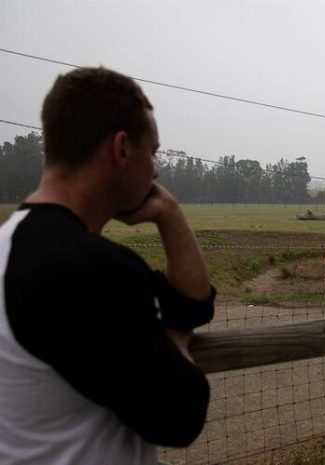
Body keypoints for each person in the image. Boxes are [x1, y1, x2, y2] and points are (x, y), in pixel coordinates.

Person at [0, 67, 216, 464]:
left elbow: (193, 305)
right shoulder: (92, 269)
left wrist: (168, 213)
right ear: (121, 149)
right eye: (152, 153)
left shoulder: (12, 247)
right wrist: (175, 342)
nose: (155, 171)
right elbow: (181, 416)